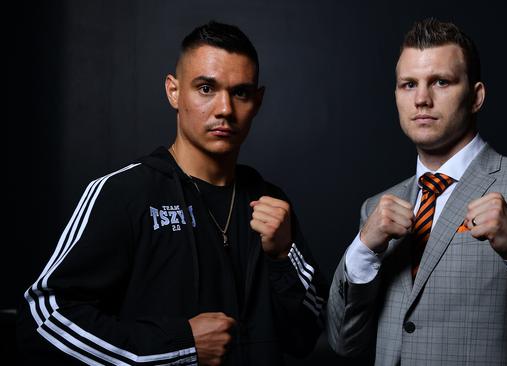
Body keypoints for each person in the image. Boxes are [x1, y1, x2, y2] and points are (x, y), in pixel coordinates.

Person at [17, 20, 326, 366]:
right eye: (206, 88)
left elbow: (306, 335)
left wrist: (283, 258)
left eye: (240, 92)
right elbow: (43, 323)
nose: (225, 108)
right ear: (174, 92)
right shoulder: (125, 192)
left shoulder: (270, 202)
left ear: (257, 100)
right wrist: (180, 347)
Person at [327, 18, 507, 365]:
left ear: (476, 97)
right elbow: (342, 342)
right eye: (408, 84)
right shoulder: (377, 208)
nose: (422, 99)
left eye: (441, 82)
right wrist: (362, 249)